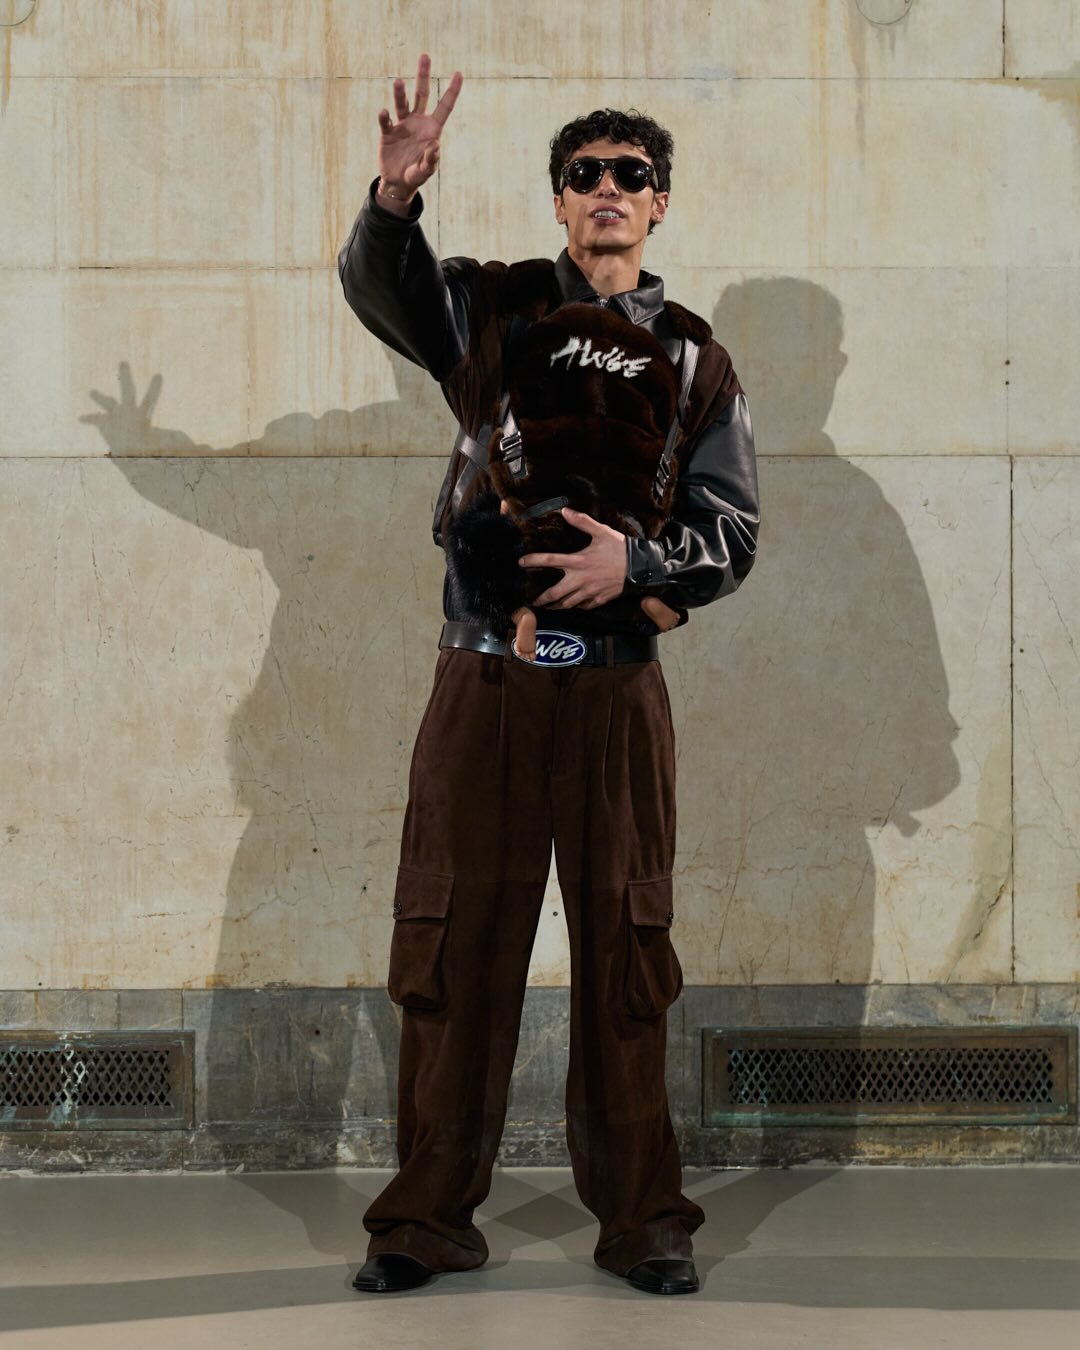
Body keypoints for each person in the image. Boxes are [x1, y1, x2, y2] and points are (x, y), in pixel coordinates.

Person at [337, 53, 759, 1296]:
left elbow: (733, 531)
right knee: (453, 945)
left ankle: (643, 1221)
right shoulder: (497, 310)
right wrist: (395, 202)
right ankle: (424, 1219)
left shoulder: (697, 360)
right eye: (584, 174)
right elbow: (392, 296)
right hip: (487, 682)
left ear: (660, 201)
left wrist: (644, 562)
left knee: (628, 954)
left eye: (630, 174)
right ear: (560, 199)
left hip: (619, 688)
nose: (607, 189)